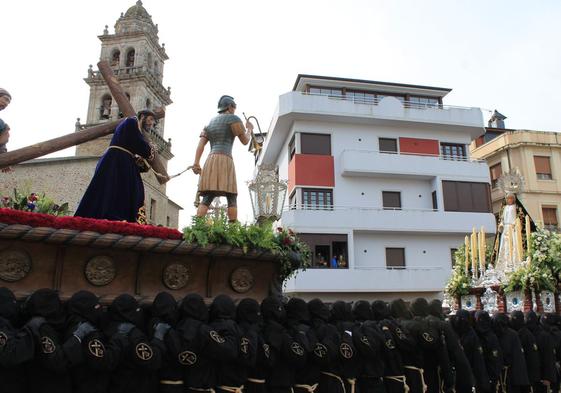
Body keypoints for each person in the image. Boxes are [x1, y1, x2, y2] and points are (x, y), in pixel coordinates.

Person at [75, 109, 163, 223]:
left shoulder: (135, 129)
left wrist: (140, 160)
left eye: (154, 121)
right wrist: (150, 148)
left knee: (127, 189)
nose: (152, 123)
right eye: (150, 119)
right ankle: (114, 217)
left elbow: (134, 146)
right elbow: (139, 144)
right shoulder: (131, 122)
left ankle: (121, 217)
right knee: (114, 189)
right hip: (115, 161)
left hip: (121, 161)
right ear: (142, 117)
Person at [192, 95, 253, 222]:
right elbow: (245, 141)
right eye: (234, 107)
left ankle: (197, 226)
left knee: (207, 197)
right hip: (225, 159)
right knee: (232, 196)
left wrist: (196, 163)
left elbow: (201, 145)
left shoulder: (210, 123)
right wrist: (249, 130)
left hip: (210, 160)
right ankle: (232, 229)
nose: (235, 110)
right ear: (230, 107)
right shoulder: (233, 118)